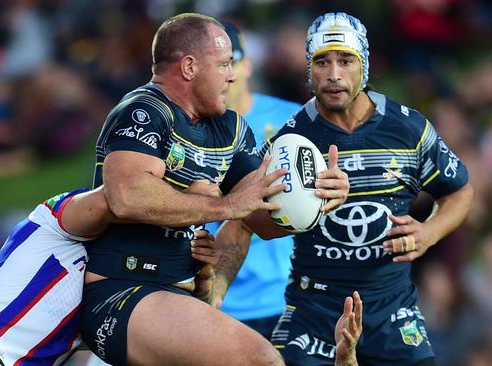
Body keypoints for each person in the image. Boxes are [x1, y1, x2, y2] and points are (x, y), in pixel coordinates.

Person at [79, 12, 351, 366]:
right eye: (223, 64)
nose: (232, 75)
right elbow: (126, 197)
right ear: (190, 67)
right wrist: (226, 207)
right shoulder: (143, 111)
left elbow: (261, 219)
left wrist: (315, 202)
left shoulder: (231, 129)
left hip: (182, 297)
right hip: (122, 290)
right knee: (260, 360)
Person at [214, 12, 474, 366]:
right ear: (309, 69)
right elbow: (250, 221)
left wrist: (429, 232)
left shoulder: (409, 129)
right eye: (322, 61)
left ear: (364, 65)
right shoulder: (287, 140)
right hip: (313, 311)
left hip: (391, 311)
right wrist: (304, 209)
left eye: (345, 60)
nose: (334, 74)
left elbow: (460, 192)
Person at [0, 183, 221, 366]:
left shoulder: (119, 291)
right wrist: (203, 206)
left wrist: (201, 282)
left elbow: (174, 342)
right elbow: (115, 200)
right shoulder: (60, 222)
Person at [203, 20, 302, 338]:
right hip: (216, 302)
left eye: (230, 63)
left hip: (286, 296)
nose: (225, 75)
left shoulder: (295, 120)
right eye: (214, 66)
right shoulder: (183, 131)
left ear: (246, 65)